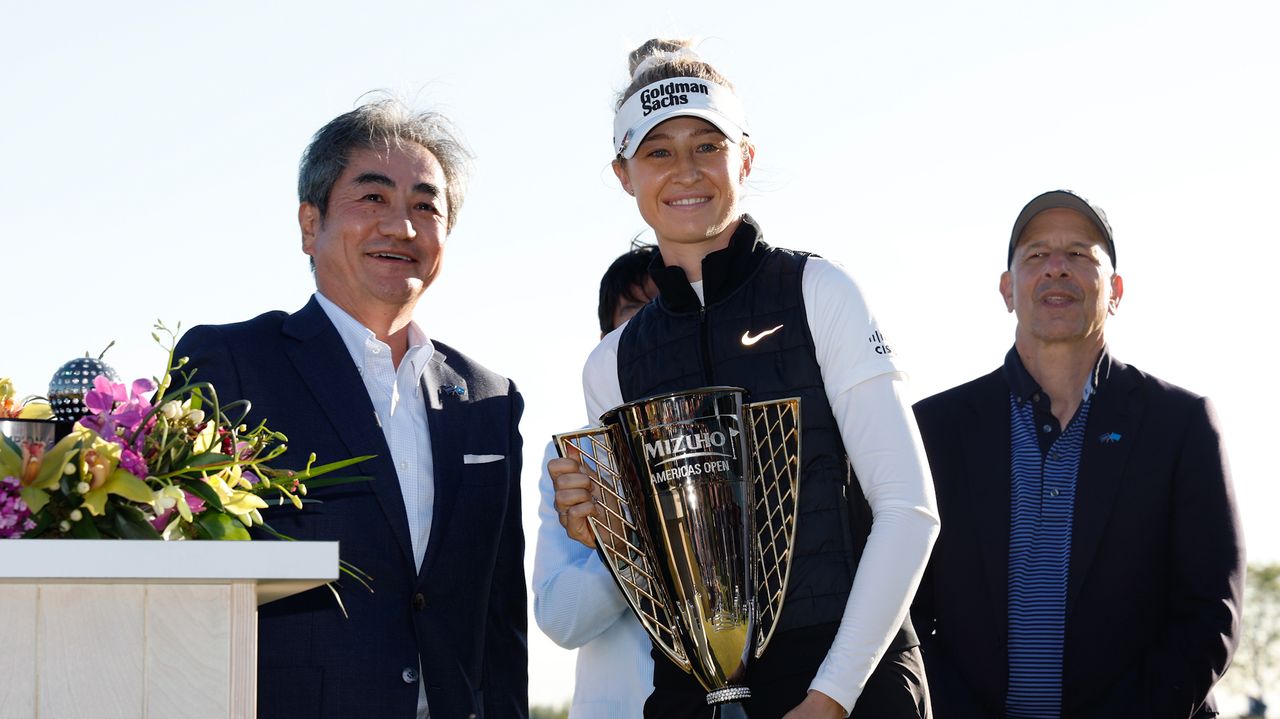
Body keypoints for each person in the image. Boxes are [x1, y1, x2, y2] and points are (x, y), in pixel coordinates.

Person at [549, 39, 940, 718]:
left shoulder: (819, 291)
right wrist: (601, 531)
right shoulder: (610, 361)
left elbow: (909, 509)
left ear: (746, 157)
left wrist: (831, 696)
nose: (686, 171)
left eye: (707, 145)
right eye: (658, 152)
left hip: (850, 684)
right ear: (623, 173)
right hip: (694, 695)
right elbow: (661, 575)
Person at [173, 98, 526, 719]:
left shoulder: (488, 400)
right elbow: (178, 585)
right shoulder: (230, 364)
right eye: (373, 199)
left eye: (426, 206)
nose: (403, 227)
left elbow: (499, 619)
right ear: (310, 225)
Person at [911, 190, 1244, 718]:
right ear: (1007, 290)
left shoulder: (1180, 424)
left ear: (1115, 290)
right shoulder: (932, 428)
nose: (1057, 269)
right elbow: (904, 612)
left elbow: (1209, 614)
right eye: (1037, 255)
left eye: (1080, 255)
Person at [532, 243, 658, 718]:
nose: (652, 324)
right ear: (604, 339)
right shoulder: (576, 455)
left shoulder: (744, 429)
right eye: (635, 311)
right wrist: (630, 546)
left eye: (669, 304)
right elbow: (561, 622)